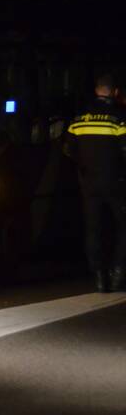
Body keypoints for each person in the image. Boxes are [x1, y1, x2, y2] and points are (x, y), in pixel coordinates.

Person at [64, 74, 126, 291]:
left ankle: (99, 277)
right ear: (115, 92)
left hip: (88, 182)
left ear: (96, 91)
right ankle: (118, 272)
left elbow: (69, 149)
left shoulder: (80, 118)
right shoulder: (118, 117)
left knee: (93, 228)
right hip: (116, 181)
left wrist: (84, 168)